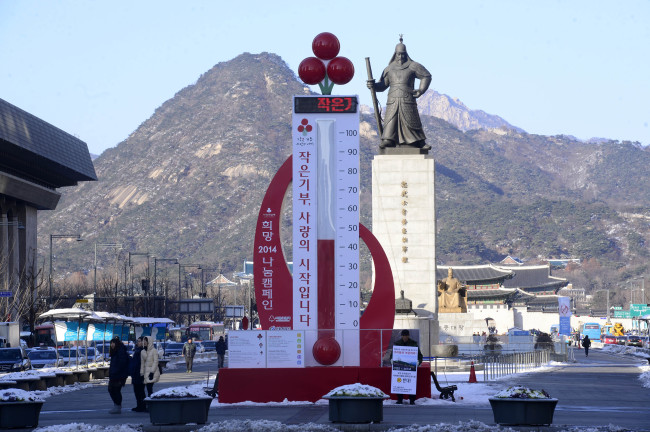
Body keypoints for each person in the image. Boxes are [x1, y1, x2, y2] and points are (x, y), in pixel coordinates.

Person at [367, 36, 432, 151]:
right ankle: (388, 139)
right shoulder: (389, 68)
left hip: (407, 98)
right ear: (395, 54)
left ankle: (418, 142)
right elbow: (383, 85)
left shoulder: (413, 66)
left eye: (402, 54)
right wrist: (373, 86)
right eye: (398, 54)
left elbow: (426, 76)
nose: (400, 56)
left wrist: (421, 90)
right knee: (391, 119)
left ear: (406, 54)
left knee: (411, 120)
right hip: (392, 98)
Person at [393, 329, 423, 405]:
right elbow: (392, 354)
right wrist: (392, 359)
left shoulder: (413, 343)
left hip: (411, 367)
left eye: (406, 335)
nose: (405, 337)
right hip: (400, 367)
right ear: (401, 336)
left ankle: (412, 400)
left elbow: (420, 355)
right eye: (403, 335)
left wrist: (418, 361)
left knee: (411, 383)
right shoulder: (397, 344)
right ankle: (400, 399)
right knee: (399, 383)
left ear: (408, 336)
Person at [108, 336, 130, 414]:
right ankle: (116, 405)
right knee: (111, 389)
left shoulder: (120, 351)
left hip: (119, 375)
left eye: (113, 343)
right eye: (111, 343)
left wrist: (115, 372)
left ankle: (117, 406)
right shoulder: (115, 351)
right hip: (114, 375)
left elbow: (122, 364)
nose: (112, 344)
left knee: (115, 390)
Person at [130, 337, 146, 412]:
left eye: (139, 341)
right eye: (138, 341)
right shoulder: (137, 350)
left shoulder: (144, 351)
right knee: (136, 391)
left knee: (141, 391)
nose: (138, 342)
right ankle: (139, 405)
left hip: (141, 374)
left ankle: (143, 406)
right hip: (135, 373)